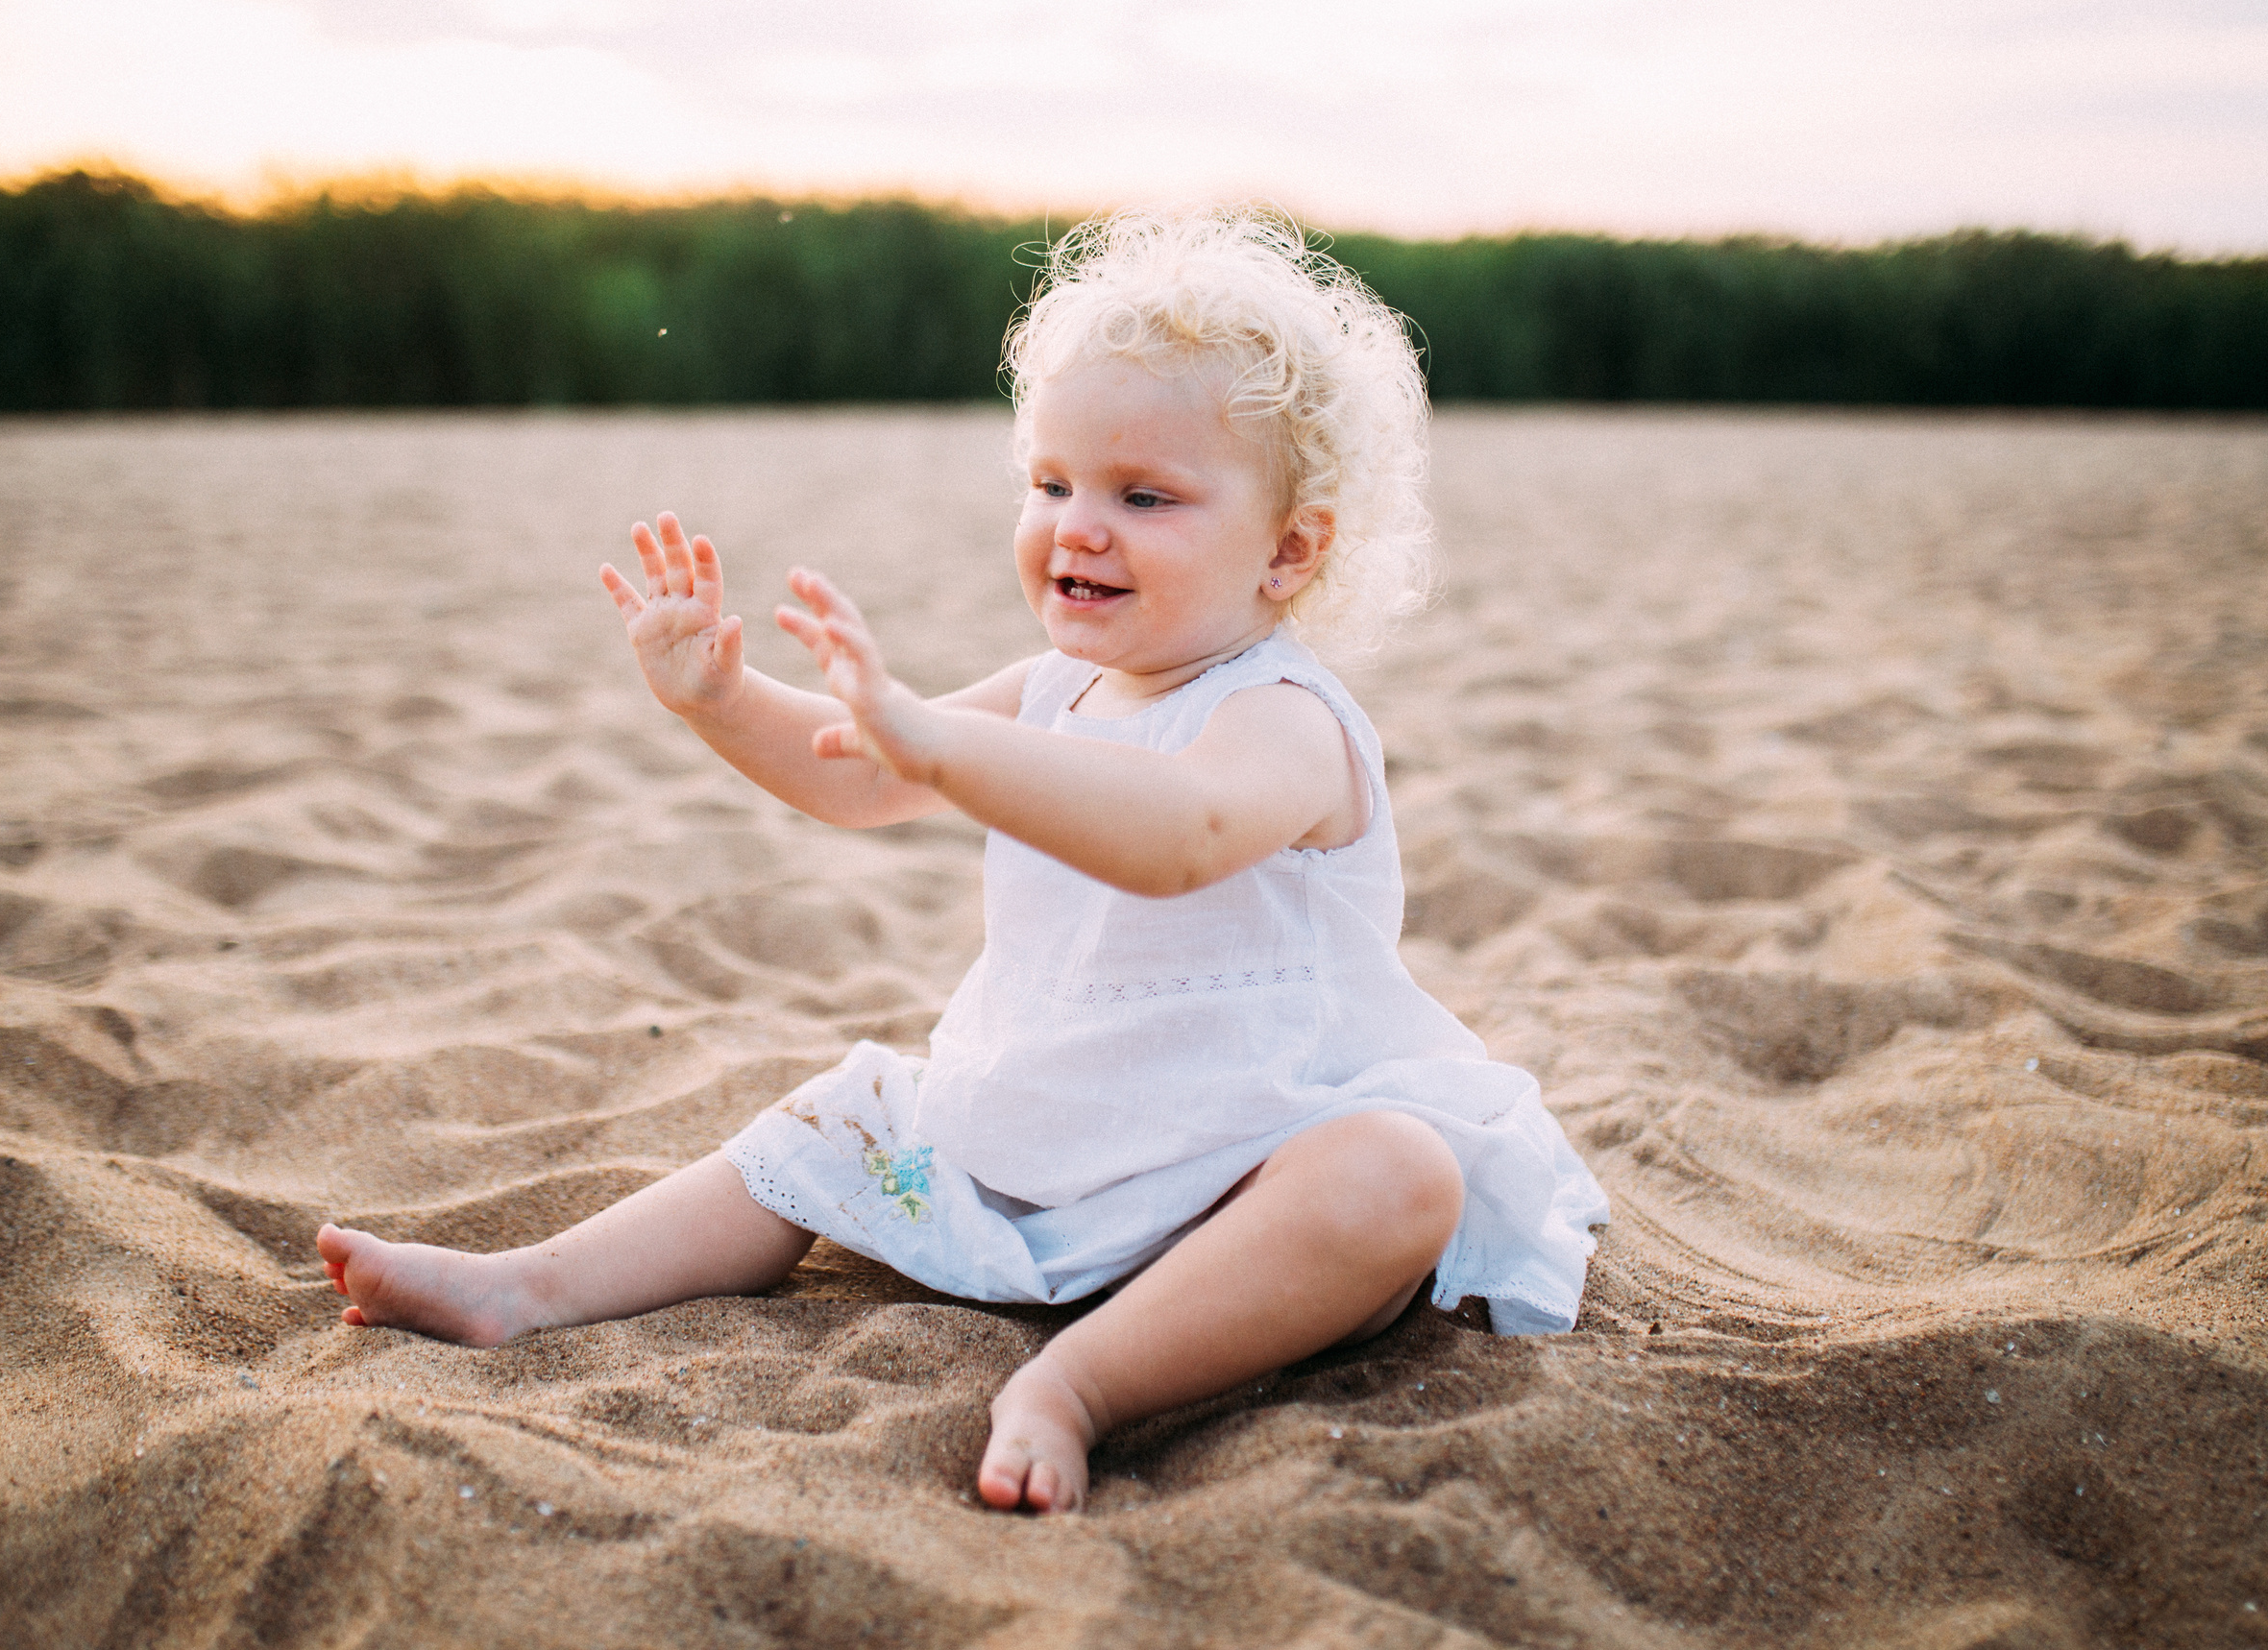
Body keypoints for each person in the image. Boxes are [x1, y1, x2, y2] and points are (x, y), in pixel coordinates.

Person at [317, 208, 1607, 1514]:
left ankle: (1082, 1381)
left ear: (1289, 549)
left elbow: (1182, 833)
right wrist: (721, 698)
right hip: (1037, 1131)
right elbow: (860, 770)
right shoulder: (1057, 687)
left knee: (1397, 1178)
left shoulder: (1284, 716)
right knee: (842, 1112)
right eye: (1052, 484)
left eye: (1143, 496)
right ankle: (528, 1284)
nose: (1079, 527)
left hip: (1241, 1160)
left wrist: (941, 743)